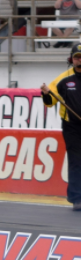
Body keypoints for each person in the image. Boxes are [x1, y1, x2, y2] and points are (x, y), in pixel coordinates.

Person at [40, 42, 81, 211]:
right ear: (71, 59)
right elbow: (50, 102)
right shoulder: (63, 79)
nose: (80, 60)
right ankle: (77, 198)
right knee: (76, 162)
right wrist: (45, 94)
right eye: (77, 57)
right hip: (72, 127)